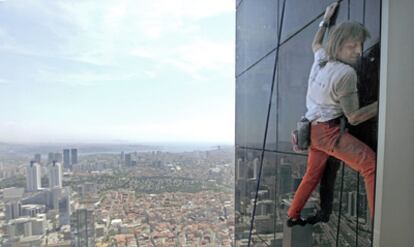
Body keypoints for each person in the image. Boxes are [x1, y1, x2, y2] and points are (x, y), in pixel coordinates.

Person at [286, 2, 378, 227]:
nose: (357, 51)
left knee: (311, 175)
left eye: (360, 45)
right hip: (327, 132)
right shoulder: (346, 73)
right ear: (338, 47)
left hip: (311, 131)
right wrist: (385, 102)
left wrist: (326, 20)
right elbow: (354, 117)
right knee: (370, 165)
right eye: (351, 46)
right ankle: (380, 222)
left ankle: (292, 215)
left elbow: (316, 42)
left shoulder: (322, 59)